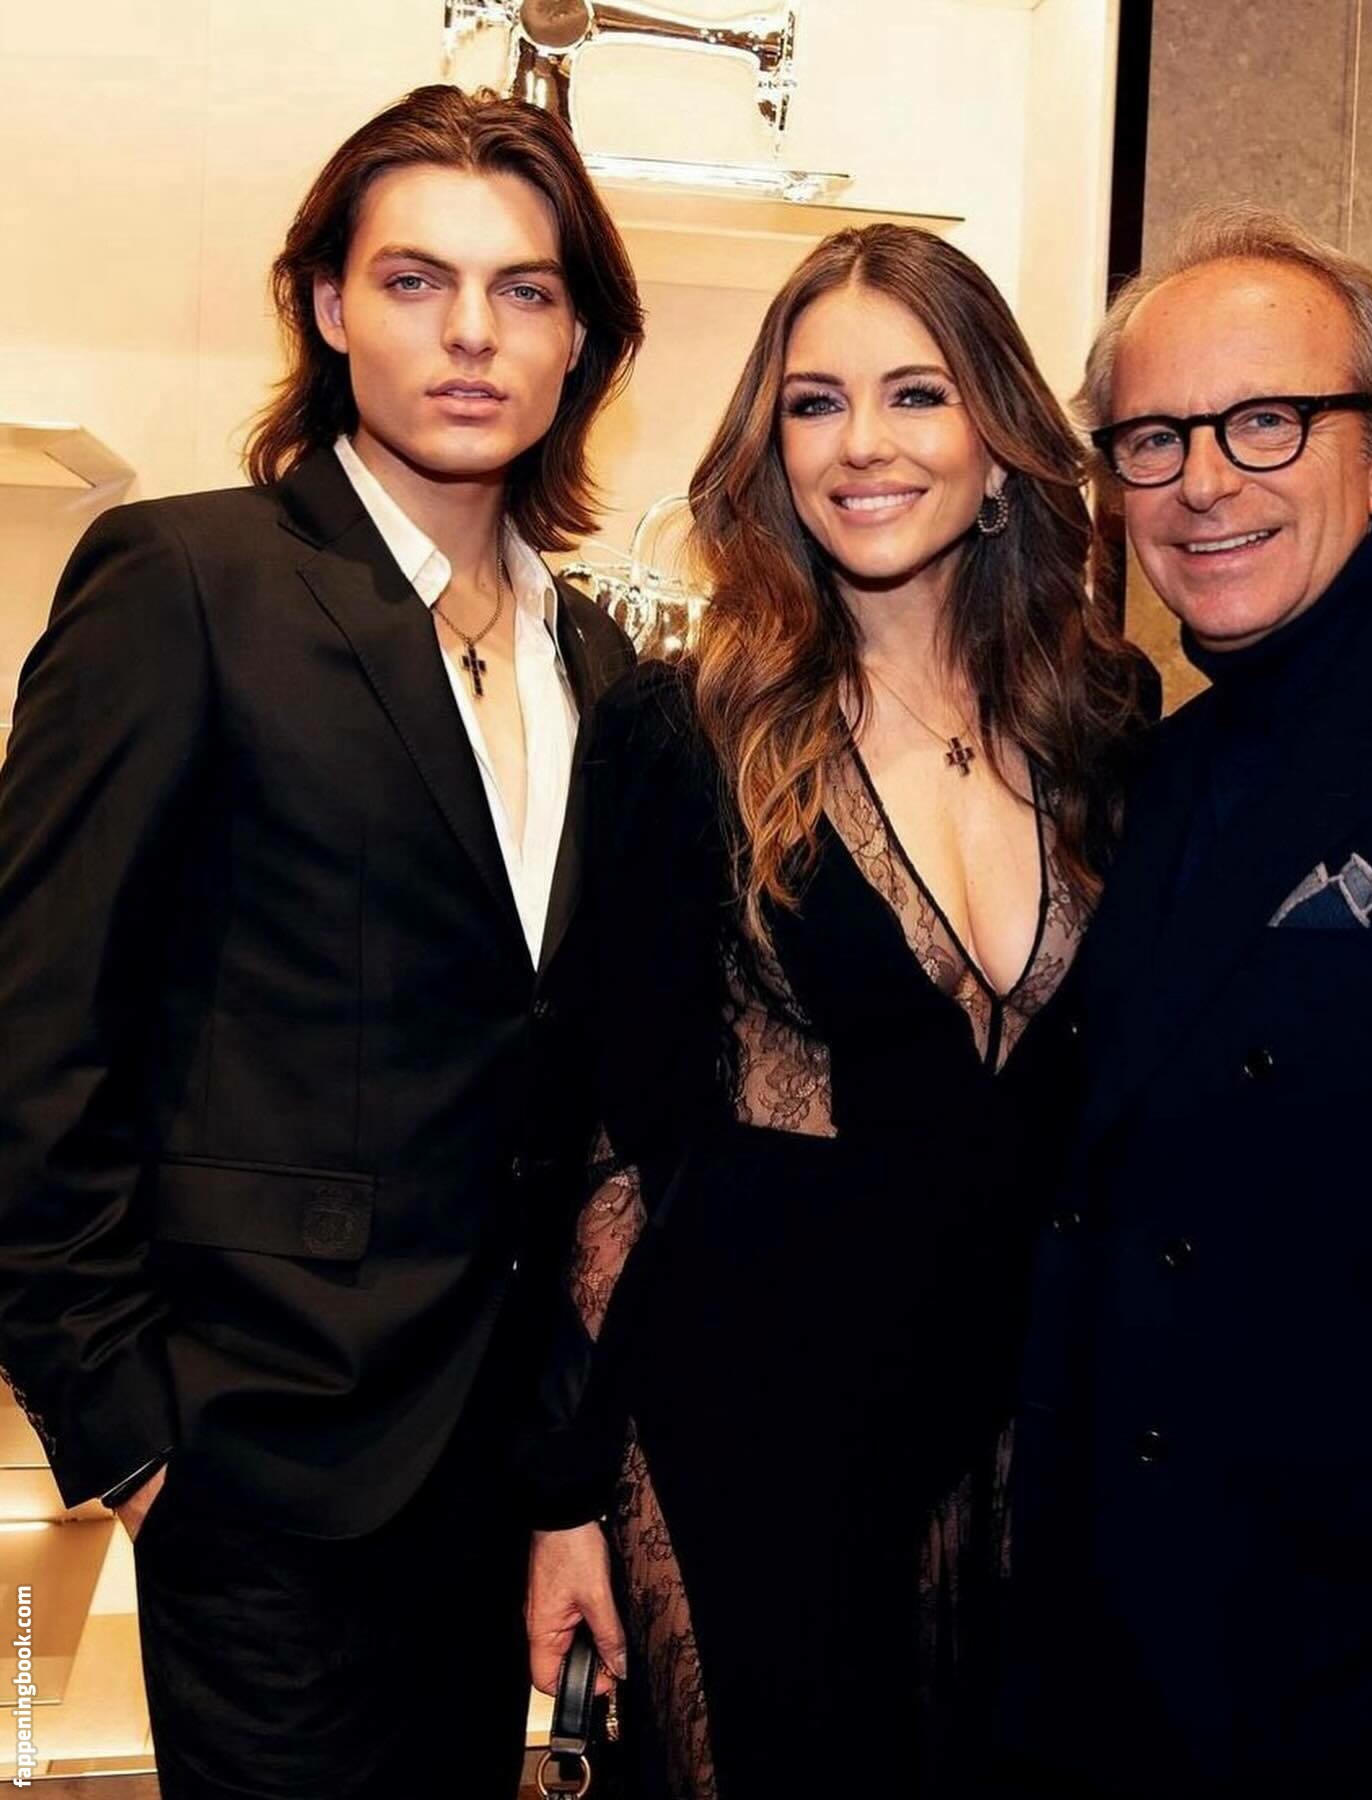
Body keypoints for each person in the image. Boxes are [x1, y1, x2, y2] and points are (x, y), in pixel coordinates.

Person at [0, 84, 641, 1798]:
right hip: (258, 1476)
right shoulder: (186, 582)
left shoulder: (600, 665)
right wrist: (128, 1439)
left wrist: (566, 1467)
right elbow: (34, 1036)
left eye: (522, 290)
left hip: (495, 1486)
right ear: (329, 305)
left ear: (580, 337)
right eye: (417, 280)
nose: (471, 334)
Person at [524, 223, 1146, 1798]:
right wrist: (566, 1495)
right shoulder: (686, 731)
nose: (862, 443)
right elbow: (607, 1139)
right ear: (771, 449)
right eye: (815, 403)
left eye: (915, 393)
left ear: (999, 443)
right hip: (750, 1427)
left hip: (1019, 1433)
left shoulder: (1103, 721)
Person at [996, 206, 1372, 1800]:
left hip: (1346, 1684)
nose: (1202, 481)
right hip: (1118, 1659)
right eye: (1155, 438)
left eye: (1267, 422)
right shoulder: (1158, 765)